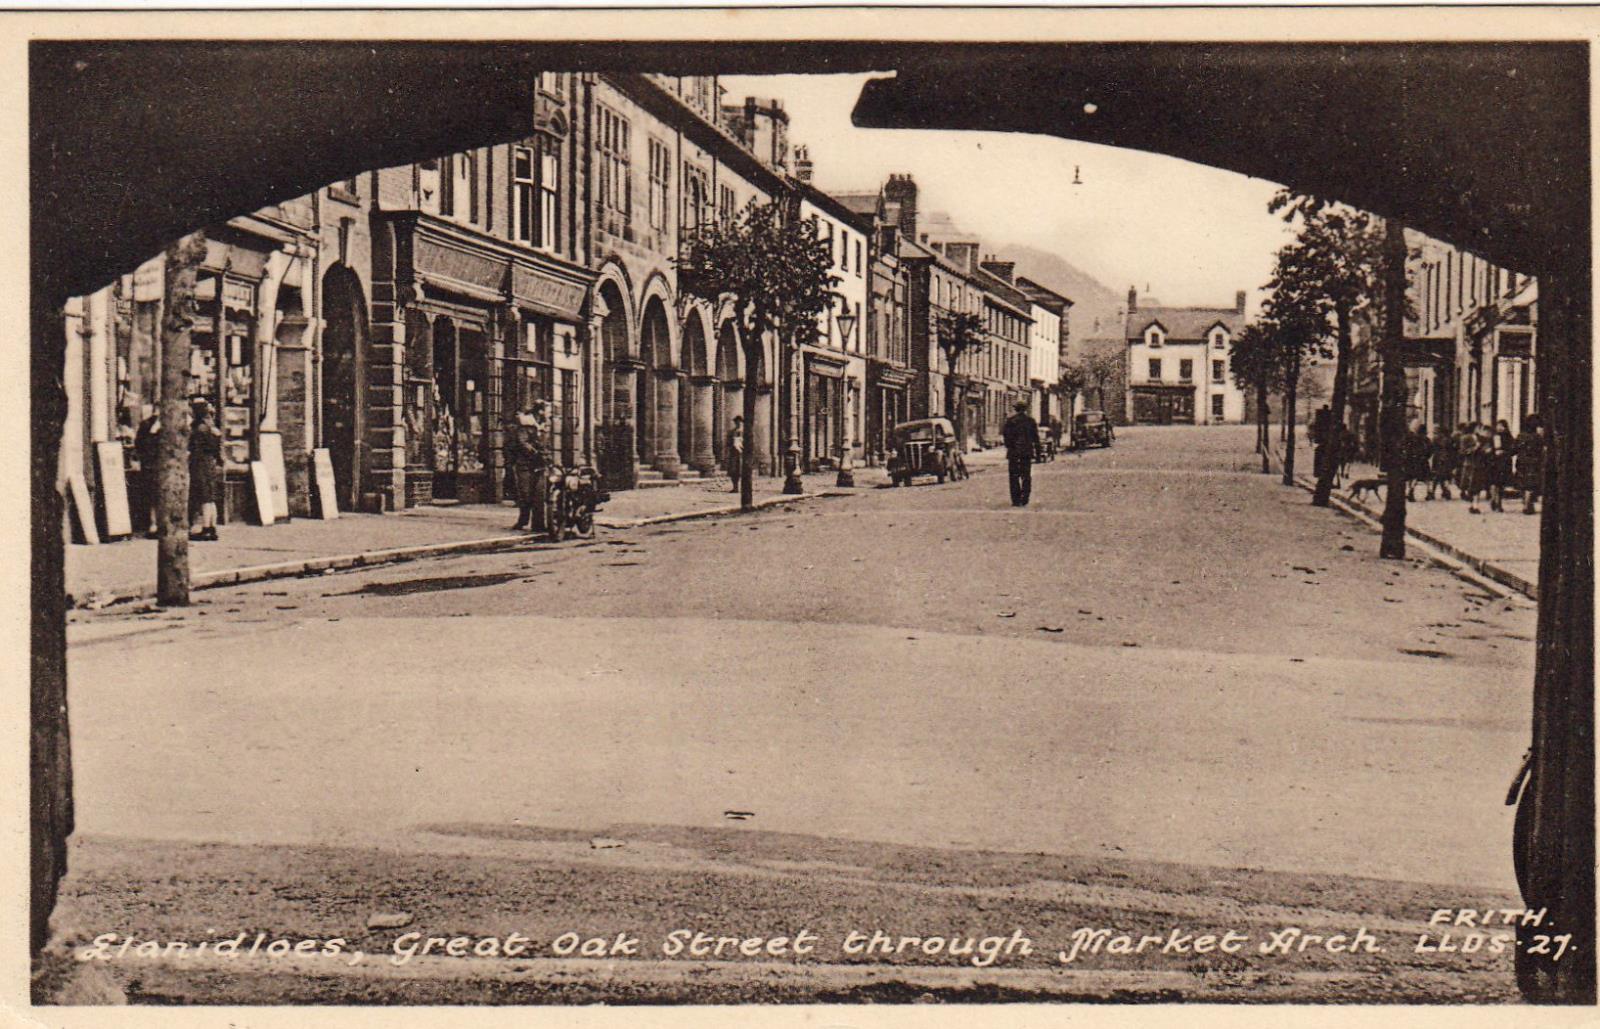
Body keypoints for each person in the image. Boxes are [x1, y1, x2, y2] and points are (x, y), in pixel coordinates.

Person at [187, 398, 222, 541]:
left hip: (200, 463)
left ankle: (206, 528)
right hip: (210, 463)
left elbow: (193, 448)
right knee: (210, 497)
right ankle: (212, 527)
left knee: (204, 496)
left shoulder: (199, 428)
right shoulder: (211, 426)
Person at [1001, 398, 1040, 507]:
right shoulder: (1031, 421)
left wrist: (1009, 447)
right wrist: (1038, 453)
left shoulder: (1010, 421)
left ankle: (1016, 499)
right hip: (1026, 453)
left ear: (1016, 409)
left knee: (1013, 476)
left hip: (1013, 452)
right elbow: (1035, 438)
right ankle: (1025, 498)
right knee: (1026, 476)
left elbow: (1006, 437)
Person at [504, 411, 537, 531]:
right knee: (525, 494)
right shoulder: (526, 427)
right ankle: (523, 520)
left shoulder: (545, 424)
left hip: (539, 465)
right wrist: (535, 452)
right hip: (525, 464)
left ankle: (538, 522)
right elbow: (523, 443)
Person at [133, 405, 162, 536]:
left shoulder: (146, 424)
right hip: (153, 465)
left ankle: (154, 524)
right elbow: (141, 444)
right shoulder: (148, 425)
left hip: (151, 465)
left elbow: (138, 445)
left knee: (153, 496)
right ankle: (154, 524)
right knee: (154, 495)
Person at [1516, 414, 1544, 515]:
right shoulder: (1537, 437)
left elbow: (1515, 448)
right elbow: (1541, 450)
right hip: (1534, 462)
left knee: (1523, 483)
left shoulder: (1521, 435)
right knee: (1531, 485)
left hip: (1521, 461)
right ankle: (1528, 505)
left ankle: (1526, 504)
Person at [1488, 419, 1516, 513]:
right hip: (1494, 462)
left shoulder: (1509, 437)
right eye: (1498, 425)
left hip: (1504, 463)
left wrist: (1505, 453)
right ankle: (1493, 499)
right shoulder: (1493, 437)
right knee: (1494, 482)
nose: (1500, 428)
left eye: (1502, 426)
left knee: (1500, 484)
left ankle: (1498, 502)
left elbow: (1513, 449)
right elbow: (1488, 449)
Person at [1403, 423, 1433, 501]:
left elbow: (1408, 449)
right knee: (1427, 478)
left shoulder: (1413, 439)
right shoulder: (1427, 440)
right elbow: (1431, 450)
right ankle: (1429, 492)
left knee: (1413, 477)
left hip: (1413, 460)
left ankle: (1411, 491)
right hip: (1423, 460)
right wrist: (1426, 457)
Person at [1427, 424, 1455, 501]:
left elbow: (1430, 449)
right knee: (1444, 476)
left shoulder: (1435, 439)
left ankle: (1432, 493)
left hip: (1438, 459)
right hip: (1447, 459)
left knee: (1436, 476)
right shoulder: (1448, 439)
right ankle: (1446, 492)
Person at [726, 415, 744, 493]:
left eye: (739, 422)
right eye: (736, 422)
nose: (738, 423)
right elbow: (728, 443)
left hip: (742, 455)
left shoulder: (744, 432)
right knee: (733, 471)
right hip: (733, 454)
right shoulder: (732, 432)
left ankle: (742, 488)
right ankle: (735, 487)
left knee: (742, 471)